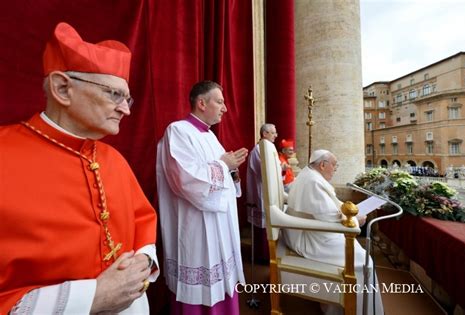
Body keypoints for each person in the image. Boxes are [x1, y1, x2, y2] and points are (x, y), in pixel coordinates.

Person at [0, 22, 159, 314]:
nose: (126, 109)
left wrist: (145, 260)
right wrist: (91, 297)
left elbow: (142, 220)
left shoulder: (114, 159)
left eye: (128, 98)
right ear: (63, 88)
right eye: (115, 95)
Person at [156, 80, 248, 314]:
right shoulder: (177, 131)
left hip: (220, 223)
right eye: (220, 102)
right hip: (195, 222)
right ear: (201, 103)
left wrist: (232, 170)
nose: (224, 108)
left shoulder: (209, 136)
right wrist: (222, 164)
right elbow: (185, 179)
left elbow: (220, 175)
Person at [283, 149, 384, 315]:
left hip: (311, 229)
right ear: (323, 165)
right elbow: (327, 216)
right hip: (309, 238)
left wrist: (355, 211)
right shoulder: (313, 181)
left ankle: (336, 307)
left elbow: (331, 205)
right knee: (363, 262)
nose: (335, 170)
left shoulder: (310, 175)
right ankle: (362, 311)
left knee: (360, 256)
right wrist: (353, 220)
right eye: (334, 166)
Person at [246, 123, 278, 262]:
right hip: (260, 192)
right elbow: (263, 172)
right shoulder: (259, 150)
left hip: (268, 192)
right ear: (264, 134)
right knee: (262, 226)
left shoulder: (268, 148)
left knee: (267, 225)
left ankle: (268, 254)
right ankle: (263, 256)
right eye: (273, 132)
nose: (275, 135)